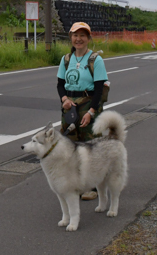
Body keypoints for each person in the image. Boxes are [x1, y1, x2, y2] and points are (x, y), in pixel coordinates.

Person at [56, 21, 109, 200]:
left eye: (82, 35)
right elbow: (60, 84)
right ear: (70, 37)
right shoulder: (66, 60)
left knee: (91, 146)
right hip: (70, 107)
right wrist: (64, 99)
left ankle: (93, 187)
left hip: (88, 105)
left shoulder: (95, 60)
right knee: (69, 146)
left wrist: (91, 111)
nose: (78, 39)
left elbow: (99, 88)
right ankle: (74, 184)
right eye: (75, 35)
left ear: (88, 38)